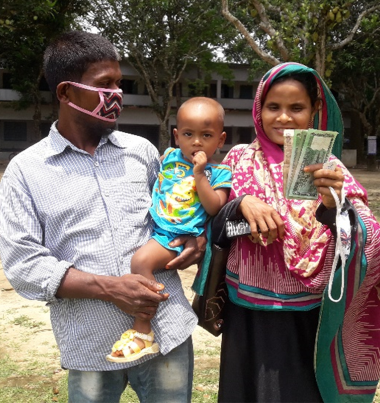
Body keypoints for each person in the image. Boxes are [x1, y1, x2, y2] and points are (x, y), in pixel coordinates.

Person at [0, 30, 206, 403]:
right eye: (104, 84)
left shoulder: (141, 152)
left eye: (119, 83)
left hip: (167, 332)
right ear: (65, 93)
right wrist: (111, 288)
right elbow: (23, 265)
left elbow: (175, 211)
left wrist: (196, 238)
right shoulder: (25, 172)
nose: (117, 95)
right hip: (91, 344)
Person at [212, 62, 380, 403]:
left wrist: (334, 207)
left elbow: (370, 238)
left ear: (315, 110)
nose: (284, 118)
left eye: (297, 108)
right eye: (274, 107)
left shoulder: (330, 168)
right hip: (247, 314)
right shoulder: (239, 159)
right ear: (259, 109)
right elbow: (215, 229)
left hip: (310, 316)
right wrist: (241, 205)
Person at [107, 97, 231, 362]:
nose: (196, 142)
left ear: (220, 140)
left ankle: (143, 330)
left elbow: (214, 208)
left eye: (206, 135)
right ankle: (156, 296)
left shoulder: (219, 174)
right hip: (157, 227)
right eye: (188, 134)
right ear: (176, 136)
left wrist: (200, 175)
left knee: (140, 262)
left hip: (176, 235)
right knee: (139, 261)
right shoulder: (170, 158)